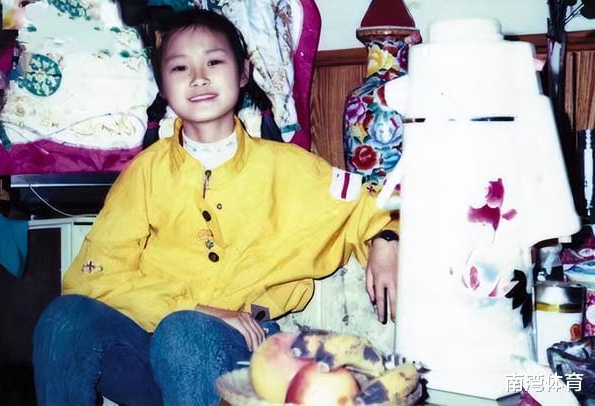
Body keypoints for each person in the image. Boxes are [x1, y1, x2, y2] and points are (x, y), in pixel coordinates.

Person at [32, 8, 399, 406]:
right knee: (65, 318)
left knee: (185, 333)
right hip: (149, 348)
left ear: (243, 73)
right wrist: (194, 307)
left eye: (213, 62)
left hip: (243, 354)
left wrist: (387, 237)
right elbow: (92, 278)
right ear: (162, 85)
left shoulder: (289, 167)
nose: (198, 77)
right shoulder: (144, 174)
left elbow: (374, 205)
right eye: (179, 68)